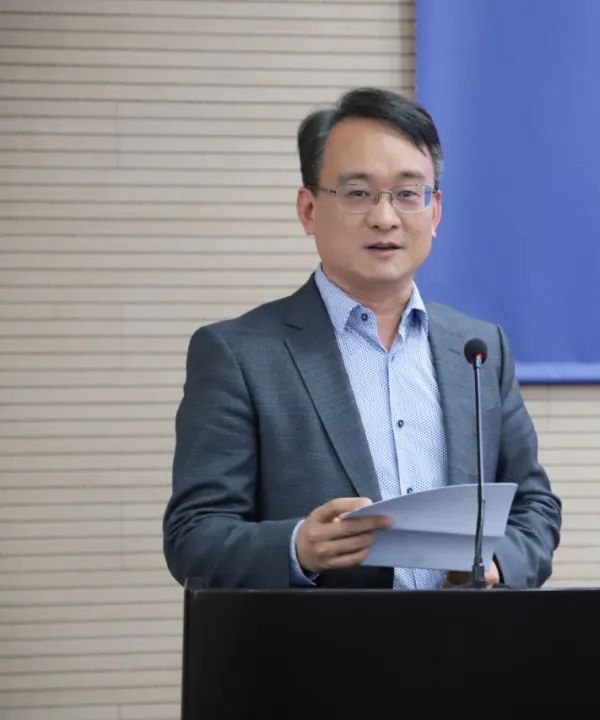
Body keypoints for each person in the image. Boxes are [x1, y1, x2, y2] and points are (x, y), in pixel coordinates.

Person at [162, 88, 562, 590]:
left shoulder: (479, 349)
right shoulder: (239, 354)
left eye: (408, 194)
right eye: (358, 193)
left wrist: (498, 562)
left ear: (435, 212)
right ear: (309, 209)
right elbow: (193, 535)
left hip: (465, 636)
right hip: (322, 639)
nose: (385, 218)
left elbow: (534, 505)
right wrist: (297, 548)